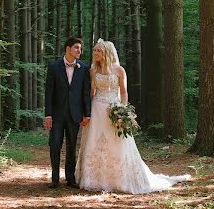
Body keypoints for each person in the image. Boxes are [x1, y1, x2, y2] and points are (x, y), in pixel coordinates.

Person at [75, 39, 191, 193]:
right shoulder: (93, 71)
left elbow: (123, 91)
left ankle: (118, 179)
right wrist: (86, 111)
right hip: (97, 109)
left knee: (116, 142)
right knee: (94, 141)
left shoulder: (119, 70)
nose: (95, 53)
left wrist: (123, 110)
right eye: (94, 50)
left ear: (106, 53)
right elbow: (91, 93)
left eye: (98, 50)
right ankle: (94, 178)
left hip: (113, 109)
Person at [44, 36, 91, 188]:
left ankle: (70, 178)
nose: (79, 51)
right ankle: (55, 179)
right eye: (77, 47)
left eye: (80, 48)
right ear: (68, 49)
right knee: (55, 145)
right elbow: (49, 93)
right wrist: (48, 115)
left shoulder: (84, 68)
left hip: (74, 114)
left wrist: (87, 114)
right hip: (57, 115)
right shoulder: (54, 67)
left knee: (72, 147)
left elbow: (85, 93)